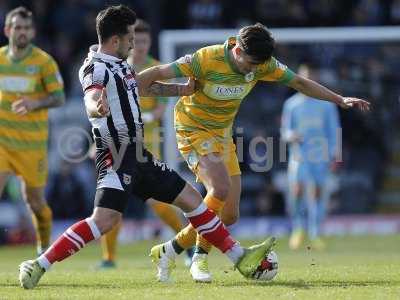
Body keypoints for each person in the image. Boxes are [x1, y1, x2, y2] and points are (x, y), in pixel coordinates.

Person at [18, 5, 275, 289]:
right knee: (104, 220)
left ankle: (241, 258)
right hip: (116, 154)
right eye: (130, 37)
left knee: (193, 201)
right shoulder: (95, 67)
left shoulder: (122, 65)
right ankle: (39, 264)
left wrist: (181, 90)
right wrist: (96, 108)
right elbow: (92, 95)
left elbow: (143, 89)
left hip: (138, 153)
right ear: (115, 40)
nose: (134, 43)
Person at [138, 23, 370, 282]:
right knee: (220, 188)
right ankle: (198, 259)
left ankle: (169, 250)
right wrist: (122, 88)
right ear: (237, 50)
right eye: (249, 64)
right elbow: (158, 72)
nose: (252, 70)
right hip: (192, 129)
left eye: (257, 66)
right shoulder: (206, 58)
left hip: (222, 135)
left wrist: (339, 99)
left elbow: (300, 82)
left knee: (229, 215)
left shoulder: (264, 65)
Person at [97, 19, 193, 269]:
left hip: (147, 145)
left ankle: (188, 245)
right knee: (112, 204)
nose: (139, 46)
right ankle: (108, 259)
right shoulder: (117, 68)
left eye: (144, 41)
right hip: (118, 146)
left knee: (159, 204)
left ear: (149, 43)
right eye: (135, 41)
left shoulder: (153, 68)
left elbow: (161, 110)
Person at [0, 7, 65, 256]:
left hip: (32, 145)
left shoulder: (43, 62)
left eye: (27, 28)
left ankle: (44, 246)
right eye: (17, 27)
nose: (22, 32)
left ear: (33, 31)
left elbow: (58, 97)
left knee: (35, 203)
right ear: (8, 30)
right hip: (3, 142)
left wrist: (34, 103)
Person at [281, 63, 340, 250]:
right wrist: (292, 136)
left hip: (321, 155)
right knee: (297, 190)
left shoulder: (326, 105)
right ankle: (298, 230)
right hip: (299, 155)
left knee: (318, 193)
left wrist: (334, 155)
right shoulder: (291, 105)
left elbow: (334, 131)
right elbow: (285, 131)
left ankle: (315, 232)